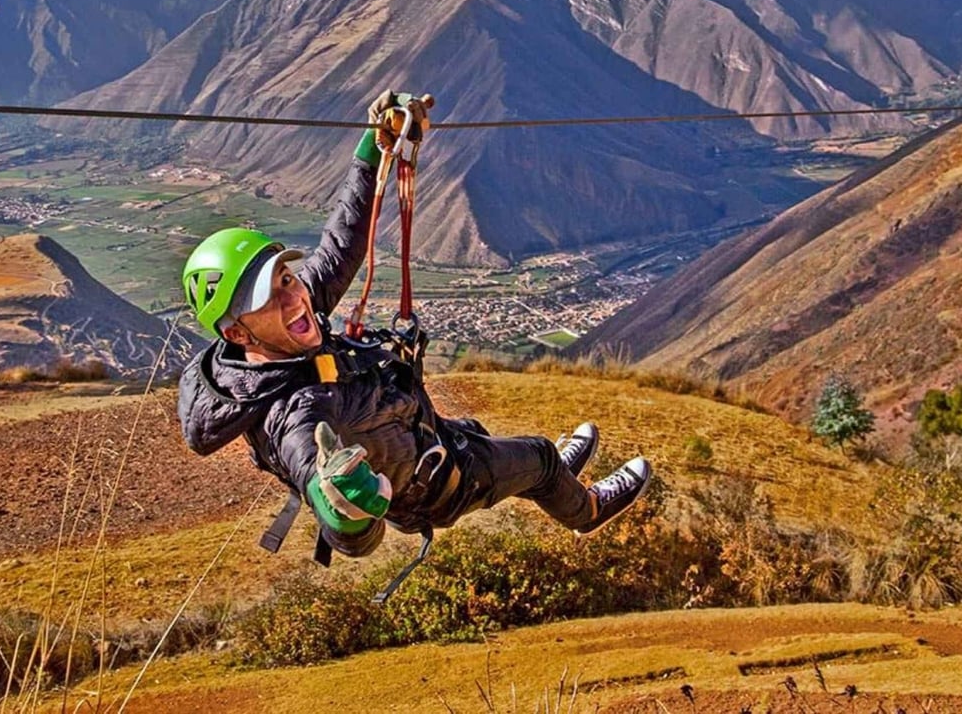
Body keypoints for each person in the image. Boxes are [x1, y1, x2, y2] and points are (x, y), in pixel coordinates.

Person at [176, 90, 652, 571]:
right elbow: (329, 501)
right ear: (239, 335)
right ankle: (586, 508)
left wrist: (373, 148)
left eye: (286, 277)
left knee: (511, 453)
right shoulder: (292, 414)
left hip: (432, 437)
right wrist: (345, 510)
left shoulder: (286, 327)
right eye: (269, 297)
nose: (293, 296)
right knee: (540, 457)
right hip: (442, 483)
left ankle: (551, 480)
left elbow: (342, 245)